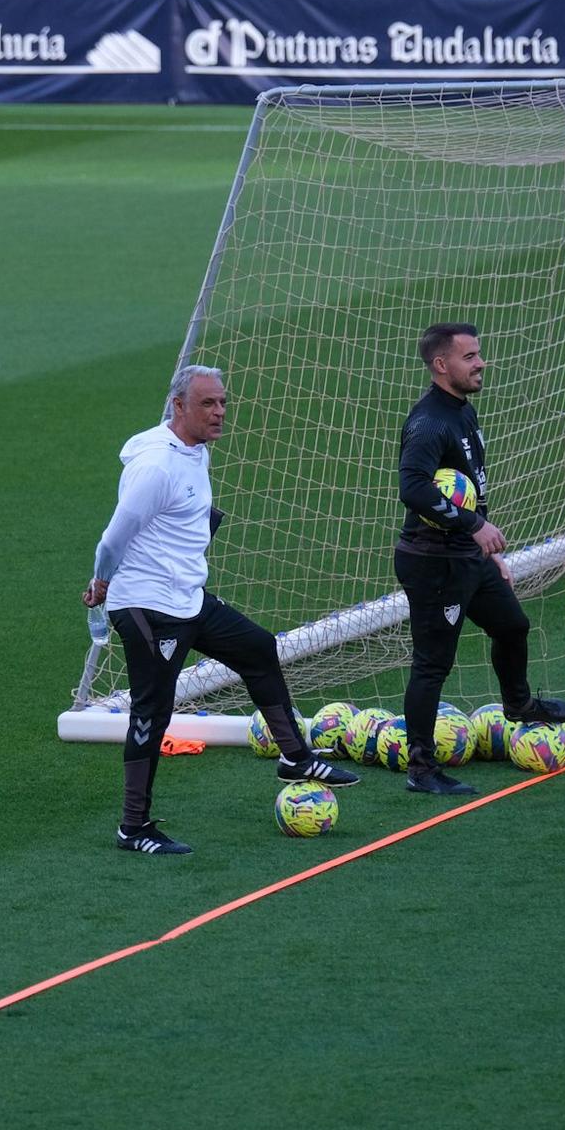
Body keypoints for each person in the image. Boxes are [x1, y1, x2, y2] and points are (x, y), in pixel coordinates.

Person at [84, 365, 358, 856]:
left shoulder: (194, 450)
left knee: (257, 647)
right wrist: (102, 583)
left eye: (223, 403)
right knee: (153, 710)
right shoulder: (155, 469)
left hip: (187, 598)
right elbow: (113, 537)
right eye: (208, 404)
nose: (220, 413)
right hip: (148, 607)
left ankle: (295, 758)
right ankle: (133, 828)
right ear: (179, 406)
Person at [394, 322, 565, 796]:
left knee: (512, 625)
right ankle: (421, 768)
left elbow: (469, 485)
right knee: (433, 664)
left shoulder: (462, 411)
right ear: (441, 365)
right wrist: (474, 526)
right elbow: (412, 488)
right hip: (434, 562)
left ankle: (518, 707)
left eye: (479, 354)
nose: (481, 363)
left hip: (464, 555)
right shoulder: (430, 421)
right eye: (470, 356)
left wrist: (483, 547)